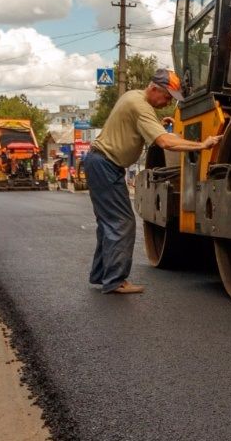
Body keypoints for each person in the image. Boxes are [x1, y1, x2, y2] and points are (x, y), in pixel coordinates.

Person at [84, 68, 217, 295]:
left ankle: (102, 275)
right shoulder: (140, 106)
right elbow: (165, 143)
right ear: (154, 88)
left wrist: (159, 126)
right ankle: (115, 281)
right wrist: (202, 145)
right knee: (121, 223)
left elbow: (144, 129)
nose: (168, 102)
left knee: (109, 223)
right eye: (167, 97)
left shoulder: (133, 97)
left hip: (101, 164)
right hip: (105, 166)